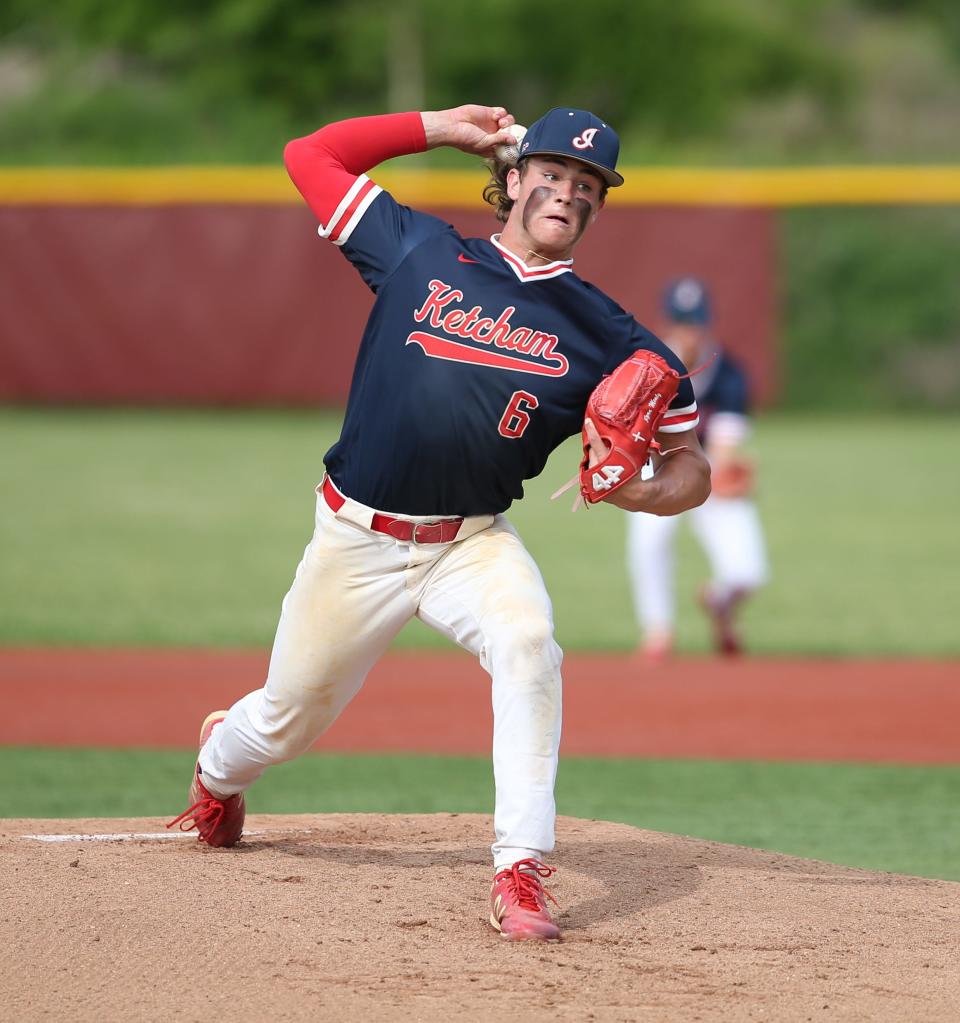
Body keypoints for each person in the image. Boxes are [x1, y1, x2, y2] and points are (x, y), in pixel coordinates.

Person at [167, 105, 710, 941]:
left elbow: (693, 467)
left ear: (598, 206)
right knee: (281, 720)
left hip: (471, 540)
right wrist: (440, 126)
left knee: (529, 641)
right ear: (517, 180)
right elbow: (308, 154)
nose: (570, 191)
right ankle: (217, 766)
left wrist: (644, 492)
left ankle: (520, 871)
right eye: (555, 173)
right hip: (356, 538)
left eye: (588, 185)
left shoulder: (613, 336)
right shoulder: (419, 250)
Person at [626, 277, 769, 659]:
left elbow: (723, 448)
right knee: (648, 541)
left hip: (708, 471)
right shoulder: (646, 370)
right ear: (666, 323)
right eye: (681, 321)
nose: (689, 331)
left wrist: (726, 472)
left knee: (748, 572)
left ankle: (720, 603)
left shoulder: (728, 374)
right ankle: (658, 631)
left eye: (695, 321)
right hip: (657, 467)